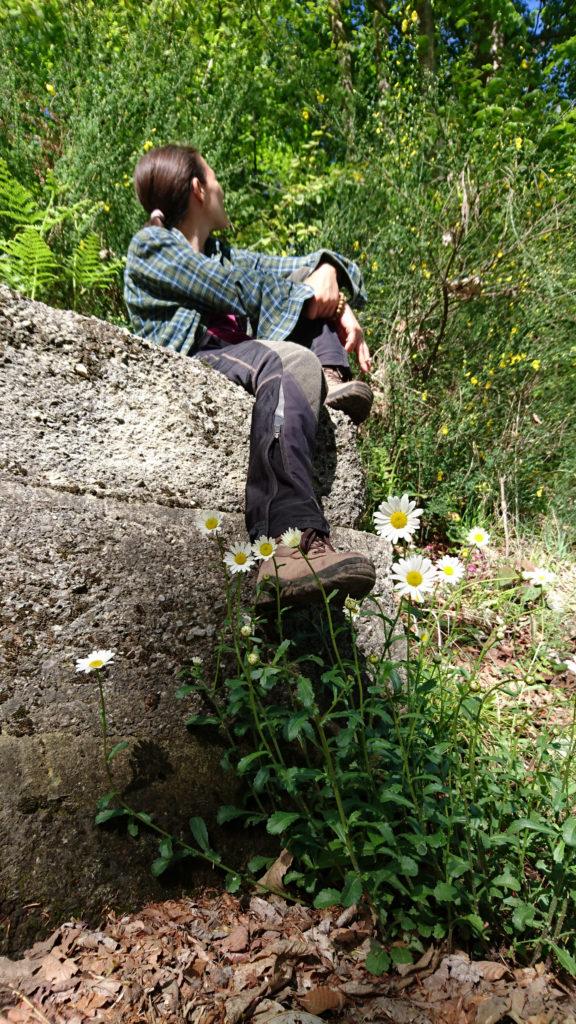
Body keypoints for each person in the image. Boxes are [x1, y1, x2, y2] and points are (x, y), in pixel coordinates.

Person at [124, 144, 376, 603]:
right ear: (199, 188)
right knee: (290, 355)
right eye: (215, 180)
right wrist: (319, 294)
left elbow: (305, 266)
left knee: (305, 300)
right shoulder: (152, 246)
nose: (222, 190)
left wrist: (328, 274)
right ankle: (287, 545)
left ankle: (333, 382)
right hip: (201, 356)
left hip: (245, 355)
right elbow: (233, 290)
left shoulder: (227, 253)